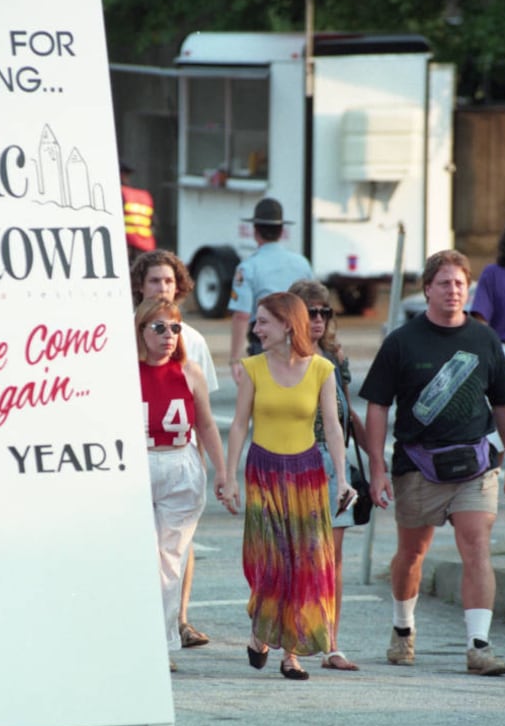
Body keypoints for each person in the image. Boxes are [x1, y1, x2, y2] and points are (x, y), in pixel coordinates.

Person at [359, 250, 505, 676]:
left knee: (476, 546)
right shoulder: (401, 341)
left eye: (460, 284)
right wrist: (377, 469)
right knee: (412, 553)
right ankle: (403, 629)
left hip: (476, 465)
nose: (453, 291)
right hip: (417, 464)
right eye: (444, 283)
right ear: (427, 288)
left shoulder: (484, 341)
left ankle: (478, 645)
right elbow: (377, 406)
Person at [222, 291, 353, 681]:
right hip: (263, 471)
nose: (256, 328)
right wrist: (228, 477)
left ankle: (290, 654)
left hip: (306, 474)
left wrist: (343, 479)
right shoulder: (253, 368)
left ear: (286, 325)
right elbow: (239, 424)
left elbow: (332, 426)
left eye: (263, 321)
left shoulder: (321, 370)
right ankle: (261, 633)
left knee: (304, 563)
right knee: (271, 561)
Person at [131, 249, 218, 648]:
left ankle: (165, 638)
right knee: (143, 555)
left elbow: (205, 423)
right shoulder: (124, 366)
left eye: (174, 329)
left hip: (179, 460)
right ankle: (141, 633)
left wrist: (222, 474)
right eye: (159, 329)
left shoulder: (190, 363)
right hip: (138, 461)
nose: (169, 336)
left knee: (170, 559)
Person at [290, 279, 367, 671]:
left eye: (324, 312)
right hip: (295, 462)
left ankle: (331, 643)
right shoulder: (280, 357)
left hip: (331, 463)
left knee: (331, 558)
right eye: (310, 312)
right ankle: (295, 636)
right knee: (298, 555)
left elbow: (346, 417)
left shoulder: (335, 358)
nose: (318, 319)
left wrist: (377, 464)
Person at [228, 198, 313, 384]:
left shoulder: (248, 267)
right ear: (282, 231)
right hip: (301, 343)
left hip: (265, 344)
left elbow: (241, 315)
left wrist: (235, 358)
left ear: (255, 231)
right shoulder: (302, 263)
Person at [470, 208, 505, 463]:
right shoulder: (494, 275)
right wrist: (499, 359)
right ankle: (485, 488)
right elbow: (479, 322)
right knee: (496, 443)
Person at [120, 160, 156, 263]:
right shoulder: (144, 196)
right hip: (145, 249)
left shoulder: (119, 194)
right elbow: (153, 225)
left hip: (127, 249)